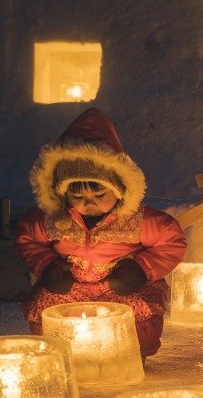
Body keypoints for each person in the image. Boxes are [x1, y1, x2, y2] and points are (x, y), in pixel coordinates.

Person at [16, 107, 187, 357]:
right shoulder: (53, 220)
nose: (89, 203)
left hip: (118, 287)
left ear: (118, 190)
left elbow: (171, 241)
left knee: (135, 317)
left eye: (99, 195)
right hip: (71, 287)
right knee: (48, 311)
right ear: (62, 193)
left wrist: (141, 269)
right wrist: (47, 266)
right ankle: (62, 350)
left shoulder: (136, 220)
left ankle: (127, 352)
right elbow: (28, 238)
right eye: (78, 196)